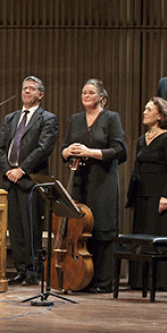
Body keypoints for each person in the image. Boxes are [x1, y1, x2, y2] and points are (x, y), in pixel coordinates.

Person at [61, 79, 127, 292]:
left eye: (91, 92)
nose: (86, 95)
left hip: (103, 180)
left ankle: (102, 281)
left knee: (101, 228)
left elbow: (120, 151)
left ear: (102, 98)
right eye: (83, 92)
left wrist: (90, 152)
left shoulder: (111, 118)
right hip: (78, 180)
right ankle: (80, 277)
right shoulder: (76, 119)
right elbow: (63, 150)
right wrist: (68, 151)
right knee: (79, 229)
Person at [0, 76, 59, 286]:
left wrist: (21, 170)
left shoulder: (47, 119)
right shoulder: (10, 118)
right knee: (14, 229)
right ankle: (21, 270)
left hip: (30, 181)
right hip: (10, 180)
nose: (27, 92)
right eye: (24, 88)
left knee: (30, 227)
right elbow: (1, 147)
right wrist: (8, 171)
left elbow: (43, 148)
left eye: (32, 89)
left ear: (40, 95)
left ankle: (33, 271)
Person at [127, 97, 167, 291]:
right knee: (141, 237)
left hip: (159, 195)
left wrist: (165, 194)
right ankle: (139, 280)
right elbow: (136, 169)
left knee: (157, 237)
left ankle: (158, 281)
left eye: (149, 110)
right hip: (142, 194)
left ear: (160, 115)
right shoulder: (142, 139)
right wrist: (132, 196)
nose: (145, 112)